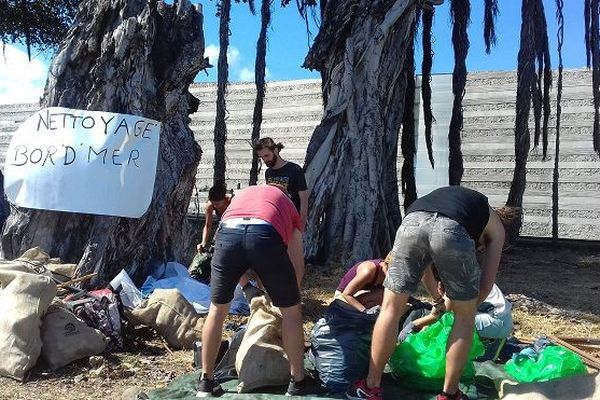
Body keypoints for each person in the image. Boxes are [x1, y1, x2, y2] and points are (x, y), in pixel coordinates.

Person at [346, 186, 518, 400]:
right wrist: (459, 311)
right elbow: (485, 285)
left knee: (390, 310)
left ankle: (369, 387)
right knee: (464, 320)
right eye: (479, 247)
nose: (478, 249)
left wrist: (438, 301)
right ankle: (449, 394)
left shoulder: (460, 203)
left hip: (411, 223)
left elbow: (424, 266)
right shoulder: (497, 229)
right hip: (451, 229)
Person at [197, 184, 306, 397]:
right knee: (291, 313)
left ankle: (206, 382)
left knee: (217, 311)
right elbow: (296, 260)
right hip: (264, 234)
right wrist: (291, 295)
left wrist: (247, 286)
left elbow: (238, 250)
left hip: (228, 235)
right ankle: (298, 381)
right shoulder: (287, 204)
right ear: (284, 194)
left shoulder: (242, 196)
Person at [253, 138, 308, 223]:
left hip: (292, 220)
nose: (265, 160)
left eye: (267, 155)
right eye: (262, 157)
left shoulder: (294, 169)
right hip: (277, 222)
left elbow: (304, 201)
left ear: (275, 150)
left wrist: (301, 225)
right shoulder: (268, 173)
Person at [197, 182, 233, 253]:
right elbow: (207, 225)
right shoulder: (210, 205)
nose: (215, 206)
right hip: (221, 225)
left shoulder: (231, 202)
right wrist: (204, 241)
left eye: (217, 204)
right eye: (213, 203)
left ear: (225, 199)